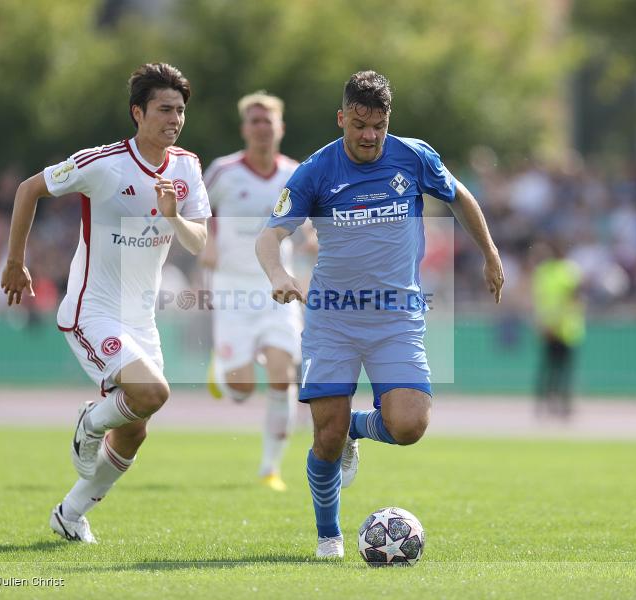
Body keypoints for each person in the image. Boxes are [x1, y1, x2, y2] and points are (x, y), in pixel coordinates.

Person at [256, 71, 504, 559]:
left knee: (409, 425)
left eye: (379, 125)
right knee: (326, 437)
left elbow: (459, 196)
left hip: (396, 318)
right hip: (332, 319)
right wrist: (278, 274)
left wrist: (490, 253)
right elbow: (269, 235)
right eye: (360, 125)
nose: (370, 135)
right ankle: (328, 537)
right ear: (341, 118)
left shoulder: (413, 156)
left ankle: (357, 427)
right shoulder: (315, 171)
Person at [0, 63, 210, 543]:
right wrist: (15, 262)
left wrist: (174, 216)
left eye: (180, 110)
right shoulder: (104, 163)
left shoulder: (187, 167)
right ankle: (90, 423)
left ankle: (70, 513)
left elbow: (198, 241)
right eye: (164, 109)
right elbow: (29, 189)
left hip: (141, 318)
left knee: (135, 430)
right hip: (92, 311)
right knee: (153, 394)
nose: (174, 119)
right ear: (138, 112)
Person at [200, 91, 301, 492]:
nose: (261, 128)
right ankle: (223, 369)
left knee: (282, 375)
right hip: (232, 287)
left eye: (267, 121)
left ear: (281, 128)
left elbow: (306, 220)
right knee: (241, 390)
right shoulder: (223, 171)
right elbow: (195, 209)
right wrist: (207, 241)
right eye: (254, 121)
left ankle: (270, 468)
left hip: (277, 285)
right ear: (244, 128)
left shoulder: (295, 174)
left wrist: (312, 238)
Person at [531, 239, 585, 418]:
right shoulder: (554, 272)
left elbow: (573, 299)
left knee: (559, 370)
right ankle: (549, 404)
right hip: (556, 328)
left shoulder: (563, 271)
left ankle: (561, 404)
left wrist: (548, 322)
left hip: (563, 328)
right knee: (553, 370)